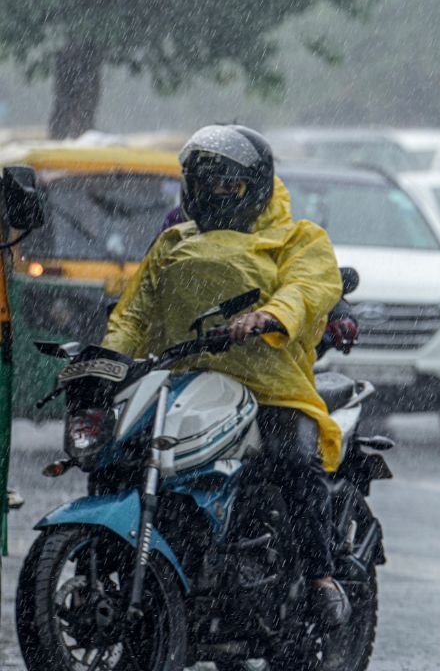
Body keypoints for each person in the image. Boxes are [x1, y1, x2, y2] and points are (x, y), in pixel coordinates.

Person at [102, 124, 351, 627]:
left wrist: (269, 316)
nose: (215, 192)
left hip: (271, 389)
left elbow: (307, 288)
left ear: (254, 186)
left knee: (295, 464)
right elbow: (133, 316)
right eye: (206, 182)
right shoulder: (173, 241)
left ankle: (322, 579)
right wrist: (106, 363)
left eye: (227, 184)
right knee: (114, 455)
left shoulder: (299, 238)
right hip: (180, 384)